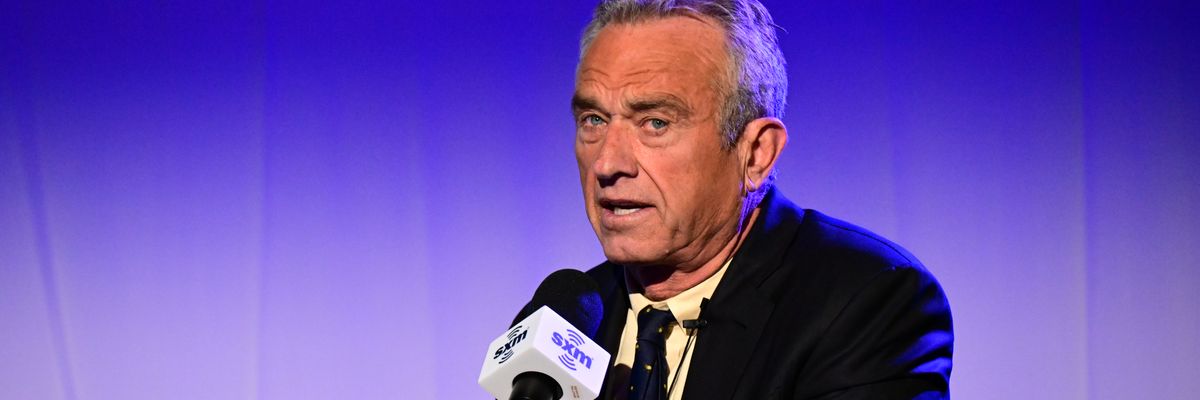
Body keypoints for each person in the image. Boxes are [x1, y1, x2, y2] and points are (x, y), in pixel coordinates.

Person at [568, 0, 953, 399]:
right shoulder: (569, 316)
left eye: (656, 123)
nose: (607, 163)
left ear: (755, 154)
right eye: (593, 120)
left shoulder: (865, 302)